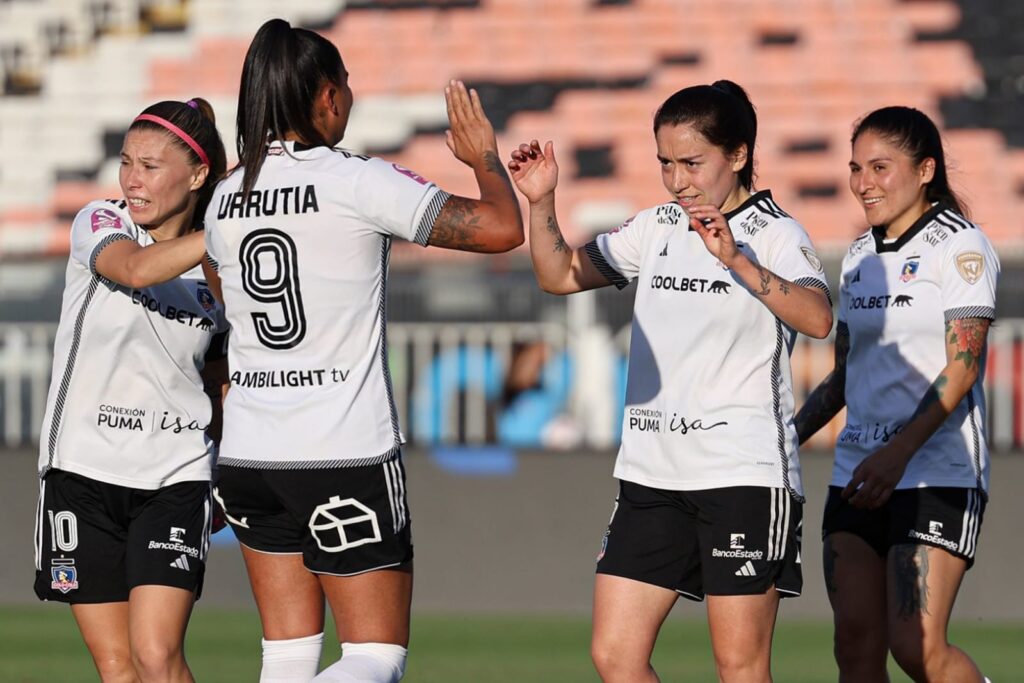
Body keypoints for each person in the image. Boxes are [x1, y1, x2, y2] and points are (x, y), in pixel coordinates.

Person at [202, 18, 523, 683]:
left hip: (250, 453)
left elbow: (220, 291)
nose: (350, 98)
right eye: (346, 85)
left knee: (287, 658)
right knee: (374, 656)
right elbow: (500, 229)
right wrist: (483, 158)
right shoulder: (357, 181)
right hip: (341, 451)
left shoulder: (229, 196)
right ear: (325, 97)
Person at [508, 81, 833, 683]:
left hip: (741, 473)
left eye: (691, 162)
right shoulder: (655, 226)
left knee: (739, 667)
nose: (677, 179)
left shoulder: (775, 234)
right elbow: (559, 276)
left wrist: (736, 259)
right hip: (652, 474)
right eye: (664, 162)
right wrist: (540, 203)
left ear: (737, 156)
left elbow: (817, 318)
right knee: (615, 656)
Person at [795, 106, 999, 683]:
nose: (863, 183)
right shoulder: (860, 257)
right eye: (856, 167)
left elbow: (962, 370)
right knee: (856, 646)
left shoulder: (961, 247)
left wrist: (896, 455)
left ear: (926, 168)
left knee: (917, 649)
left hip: (937, 471)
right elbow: (844, 375)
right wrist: (784, 436)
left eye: (880, 167)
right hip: (858, 473)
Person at [34, 98, 228, 682]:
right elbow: (138, 271)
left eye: (150, 166)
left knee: (155, 655)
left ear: (197, 176)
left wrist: (226, 469)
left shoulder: (221, 269)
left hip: (173, 476)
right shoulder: (101, 221)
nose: (132, 180)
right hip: (81, 470)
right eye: (126, 162)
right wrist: (227, 230)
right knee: (118, 669)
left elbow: (222, 380)